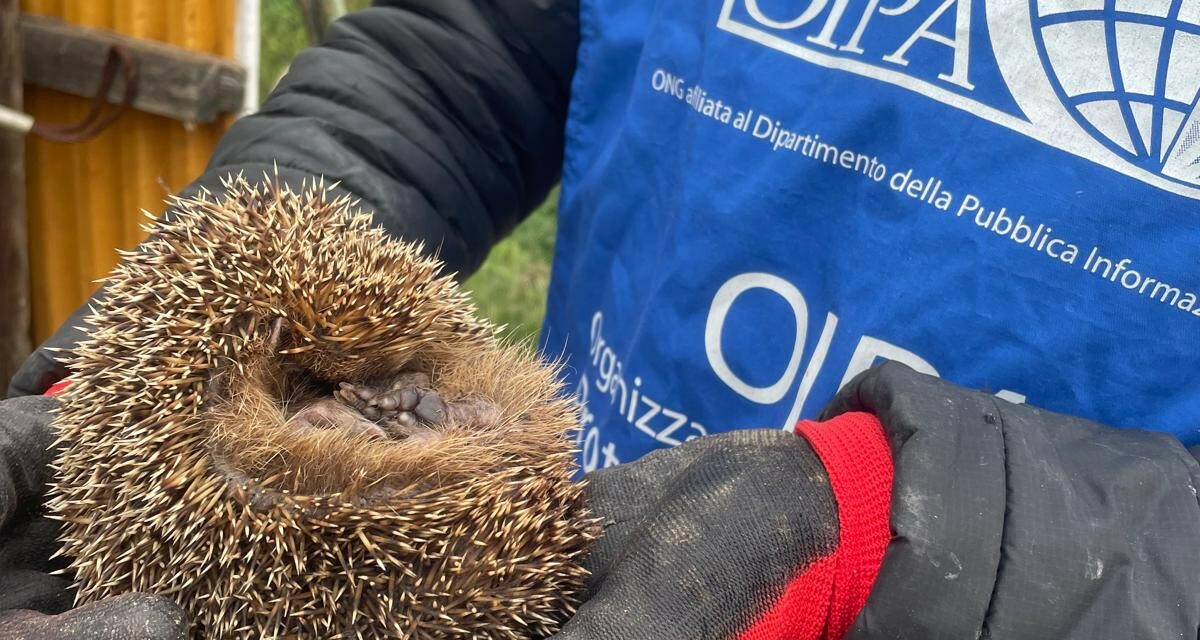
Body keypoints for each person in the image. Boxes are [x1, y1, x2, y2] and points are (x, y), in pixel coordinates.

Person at [3, 2, 1199, 638]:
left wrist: (970, 548)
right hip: (570, 560)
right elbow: (455, 60)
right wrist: (148, 384)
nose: (390, 412)